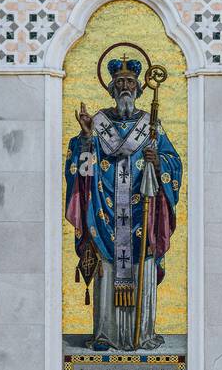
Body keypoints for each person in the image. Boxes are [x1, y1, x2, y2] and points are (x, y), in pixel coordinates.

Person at [65, 55, 181, 351]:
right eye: (119, 82)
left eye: (130, 82)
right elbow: (82, 170)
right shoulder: (98, 123)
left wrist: (160, 163)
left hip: (143, 214)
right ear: (111, 88)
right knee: (107, 271)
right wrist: (87, 137)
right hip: (105, 215)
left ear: (139, 88)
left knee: (142, 267)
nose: (125, 87)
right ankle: (106, 334)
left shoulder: (151, 125)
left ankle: (142, 335)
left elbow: (174, 162)